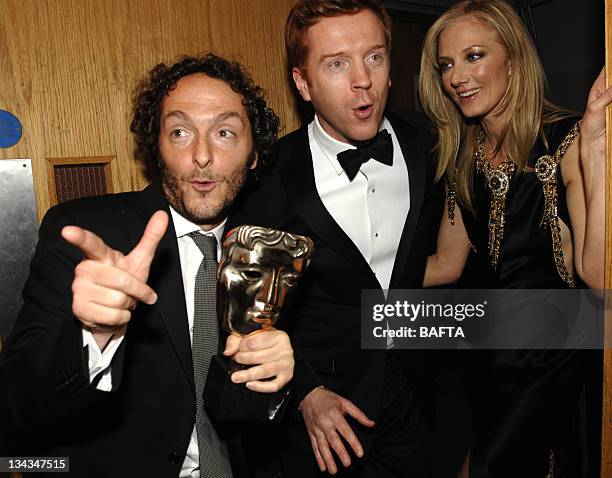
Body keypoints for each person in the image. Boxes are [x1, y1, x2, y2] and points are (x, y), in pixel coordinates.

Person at [0, 53, 295, 478]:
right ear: (156, 148)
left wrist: (275, 385)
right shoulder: (86, 232)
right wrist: (93, 335)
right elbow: (15, 408)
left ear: (254, 156)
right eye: (179, 132)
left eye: (226, 133)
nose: (202, 155)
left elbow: (250, 426)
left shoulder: (268, 249)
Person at [230, 0, 443, 476]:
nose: (362, 79)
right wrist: (305, 394)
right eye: (336, 64)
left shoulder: (425, 142)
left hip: (418, 393)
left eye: (374, 57)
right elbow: (251, 320)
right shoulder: (268, 180)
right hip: (326, 415)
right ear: (303, 83)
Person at [418, 0, 611, 475]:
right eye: (447, 64)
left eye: (475, 55)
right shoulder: (463, 158)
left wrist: (595, 149)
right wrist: (349, 280)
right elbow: (446, 264)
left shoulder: (564, 141)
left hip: (550, 358)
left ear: (515, 58)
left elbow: (597, 273)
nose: (457, 76)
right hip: (490, 358)